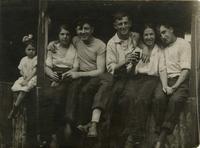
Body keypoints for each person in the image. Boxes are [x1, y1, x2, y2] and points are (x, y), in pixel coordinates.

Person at [121, 24, 167, 148]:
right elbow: (129, 70)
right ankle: (127, 132)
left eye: (151, 34)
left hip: (151, 79)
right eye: (146, 34)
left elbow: (162, 69)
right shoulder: (138, 49)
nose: (149, 37)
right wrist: (133, 63)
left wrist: (164, 86)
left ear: (155, 35)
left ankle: (135, 136)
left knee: (141, 99)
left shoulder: (160, 50)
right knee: (126, 98)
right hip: (136, 79)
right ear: (143, 36)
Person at [62, 17, 107, 142]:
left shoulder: (100, 45)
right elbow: (61, 42)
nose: (83, 32)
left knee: (84, 92)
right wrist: (52, 45)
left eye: (86, 28)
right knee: (72, 88)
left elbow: (100, 70)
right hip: (80, 73)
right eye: (80, 29)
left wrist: (78, 74)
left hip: (94, 75)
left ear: (92, 29)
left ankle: (85, 124)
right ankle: (69, 123)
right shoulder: (76, 40)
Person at [39, 24, 78, 148]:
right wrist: (52, 75)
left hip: (67, 76)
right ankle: (46, 136)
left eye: (67, 34)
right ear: (58, 35)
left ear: (71, 36)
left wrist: (62, 78)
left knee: (58, 97)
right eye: (62, 34)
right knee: (46, 97)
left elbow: (76, 67)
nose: (65, 37)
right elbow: (47, 66)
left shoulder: (74, 48)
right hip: (52, 74)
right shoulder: (52, 46)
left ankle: (55, 135)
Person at [153, 23, 191, 148]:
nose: (163, 36)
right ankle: (159, 132)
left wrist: (174, 87)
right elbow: (162, 70)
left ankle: (161, 137)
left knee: (175, 100)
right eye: (160, 35)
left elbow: (185, 70)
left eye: (164, 32)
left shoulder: (183, 44)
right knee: (158, 98)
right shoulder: (163, 48)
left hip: (180, 81)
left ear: (171, 29)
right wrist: (165, 86)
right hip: (166, 81)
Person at [8, 34, 37, 120]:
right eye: (29, 49)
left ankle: (15, 108)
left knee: (24, 89)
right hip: (24, 77)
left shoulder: (36, 59)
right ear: (25, 50)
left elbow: (34, 71)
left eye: (33, 49)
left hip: (32, 78)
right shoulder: (23, 59)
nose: (31, 51)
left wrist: (27, 80)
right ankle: (16, 107)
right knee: (16, 87)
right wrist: (23, 74)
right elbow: (20, 69)